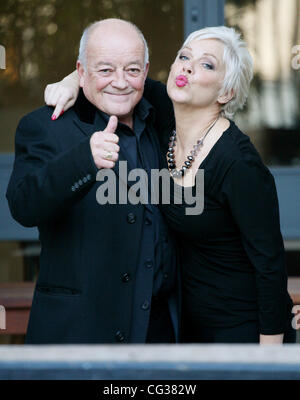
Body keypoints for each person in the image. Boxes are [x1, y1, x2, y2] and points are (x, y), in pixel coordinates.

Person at [45, 25, 296, 344]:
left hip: (244, 330)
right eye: (184, 57)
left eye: (207, 64)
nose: (188, 66)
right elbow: (119, 77)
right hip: (190, 328)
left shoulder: (238, 162)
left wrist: (269, 358)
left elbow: (270, 266)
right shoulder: (166, 121)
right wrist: (71, 81)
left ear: (225, 93)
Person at [6, 19, 179, 344]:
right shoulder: (45, 125)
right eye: (104, 70)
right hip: (80, 332)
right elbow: (23, 205)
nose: (120, 82)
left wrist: (84, 76)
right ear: (81, 72)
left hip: (159, 333)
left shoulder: (161, 116)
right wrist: (82, 160)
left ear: (145, 72)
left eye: (131, 70)